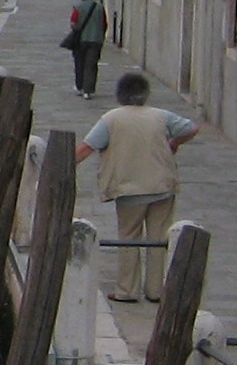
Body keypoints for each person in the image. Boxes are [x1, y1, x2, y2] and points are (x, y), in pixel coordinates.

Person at [75, 72, 199, 303]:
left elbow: (85, 149)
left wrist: (62, 162)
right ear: (146, 95)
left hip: (129, 189)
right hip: (162, 185)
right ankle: (156, 290)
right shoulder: (160, 116)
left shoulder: (111, 119)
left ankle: (127, 290)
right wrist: (174, 143)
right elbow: (191, 128)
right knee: (158, 238)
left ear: (119, 95)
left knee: (129, 237)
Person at [68, 0, 108, 98]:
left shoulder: (77, 6)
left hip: (80, 40)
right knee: (91, 65)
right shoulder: (100, 7)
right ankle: (88, 90)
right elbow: (104, 24)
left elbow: (73, 23)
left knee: (79, 64)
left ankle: (79, 86)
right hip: (96, 40)